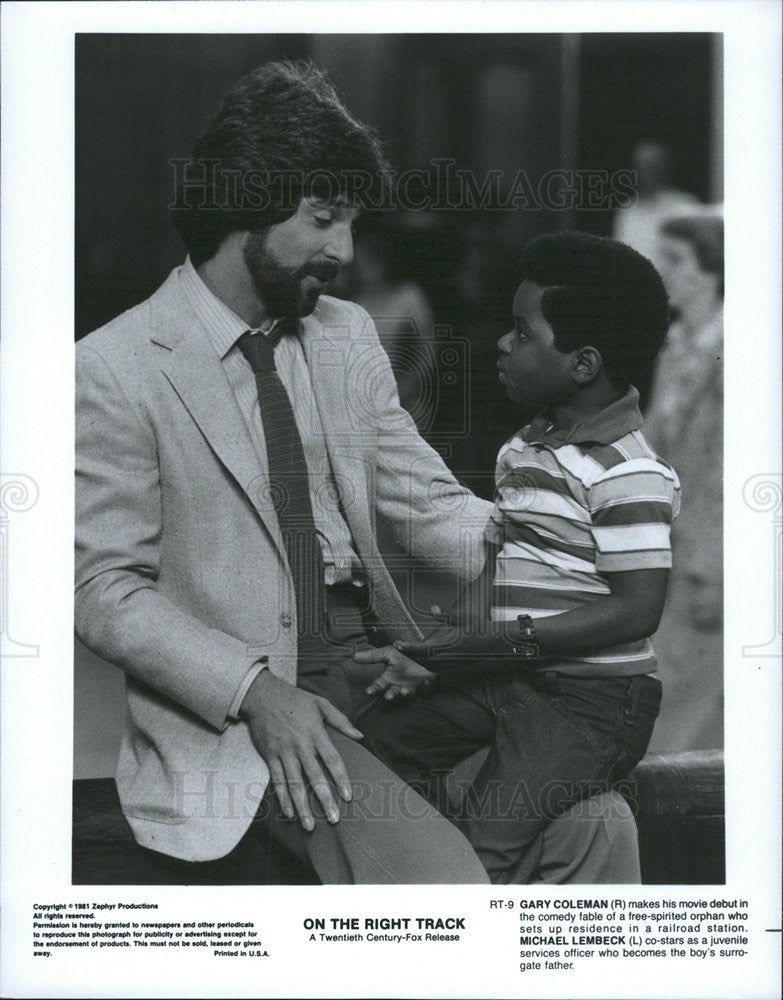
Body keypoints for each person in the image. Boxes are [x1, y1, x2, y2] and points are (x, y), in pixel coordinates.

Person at [76, 62, 642, 885]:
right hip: (251, 724)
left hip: (387, 687)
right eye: (322, 219)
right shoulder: (114, 367)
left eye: (350, 222)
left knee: (598, 827)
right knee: (440, 888)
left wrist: (571, 548)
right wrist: (258, 693)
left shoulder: (342, 334)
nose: (343, 250)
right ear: (244, 206)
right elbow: (102, 590)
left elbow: (428, 502)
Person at [354, 232, 681, 884]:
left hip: (590, 704)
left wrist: (506, 643)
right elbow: (503, 559)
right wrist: (436, 650)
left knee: (486, 844)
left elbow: (636, 610)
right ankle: (422, 882)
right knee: (383, 745)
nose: (502, 344)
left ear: (582, 364)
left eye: (521, 333)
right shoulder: (525, 450)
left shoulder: (627, 472)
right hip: (514, 678)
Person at [643, 213, 724, 752]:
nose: (662, 270)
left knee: (696, 695)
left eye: (675, 260)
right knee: (664, 679)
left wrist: (713, 567)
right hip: (671, 540)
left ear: (712, 271)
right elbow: (652, 441)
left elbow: (731, 472)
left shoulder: (736, 351)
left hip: (711, 551)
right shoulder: (677, 343)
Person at [613, 140, 699, 268]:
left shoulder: (686, 207)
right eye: (641, 166)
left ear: (665, 167)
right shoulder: (627, 211)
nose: (646, 172)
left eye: (653, 165)